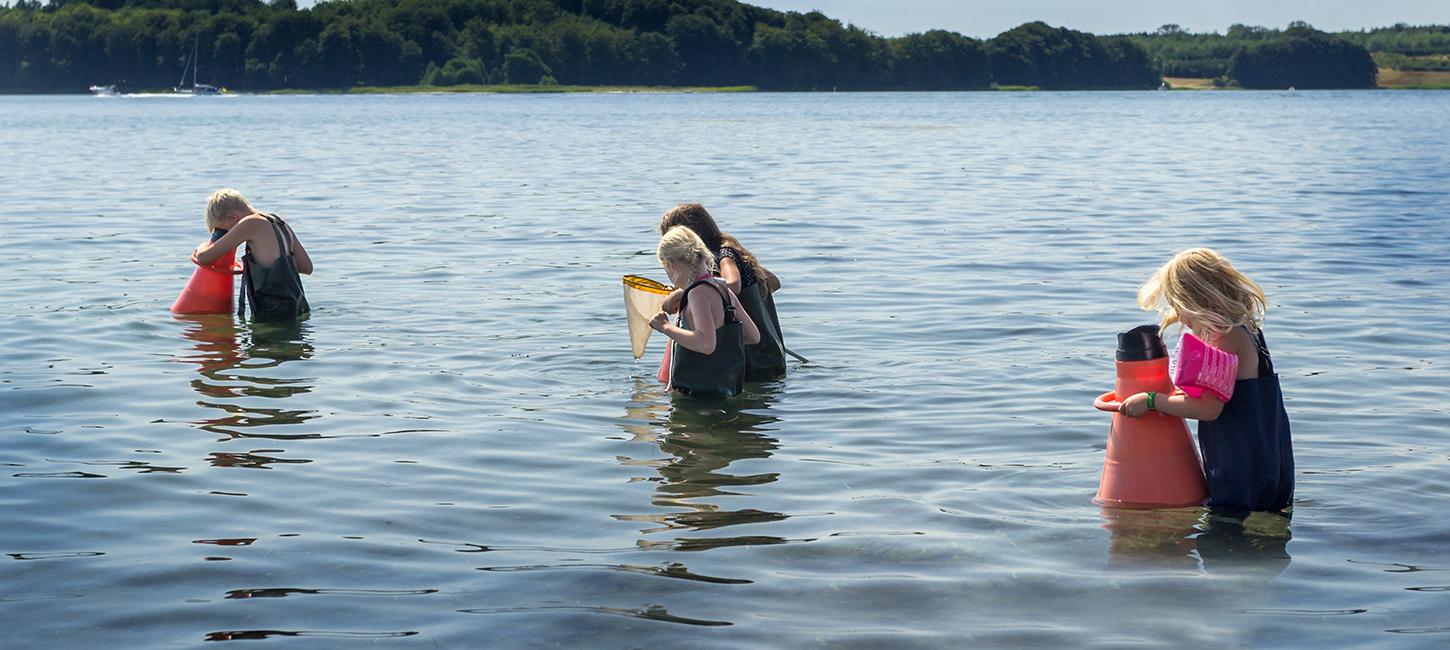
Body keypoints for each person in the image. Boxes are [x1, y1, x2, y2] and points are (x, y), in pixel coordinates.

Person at [1118, 248, 1294, 513]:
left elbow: (1209, 408)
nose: (1178, 314)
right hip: (1270, 454)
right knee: (1267, 524)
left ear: (1196, 300)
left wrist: (1153, 400)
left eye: (1178, 305)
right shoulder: (1248, 329)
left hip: (1240, 463)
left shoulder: (1224, 338)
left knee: (1227, 534)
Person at [658, 203, 786, 381]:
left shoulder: (724, 254)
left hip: (748, 361)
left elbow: (733, 283)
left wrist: (687, 293)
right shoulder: (735, 252)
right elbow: (773, 282)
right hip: (771, 352)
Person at [649, 226, 760, 398]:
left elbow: (706, 344)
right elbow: (753, 336)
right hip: (727, 389)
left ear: (671, 265)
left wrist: (665, 327)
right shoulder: (723, 289)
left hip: (699, 398)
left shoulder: (697, 294)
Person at [192, 189, 312, 322]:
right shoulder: (278, 222)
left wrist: (202, 246)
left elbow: (204, 257)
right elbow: (306, 267)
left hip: (273, 316)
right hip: (297, 308)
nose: (226, 235)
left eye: (224, 230)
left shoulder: (250, 223)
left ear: (232, 218)